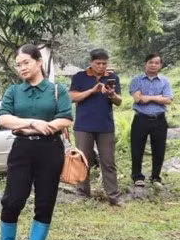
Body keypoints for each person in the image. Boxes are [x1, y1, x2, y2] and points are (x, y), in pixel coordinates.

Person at [0, 45, 73, 240]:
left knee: (45, 199)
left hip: (50, 149)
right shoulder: (14, 91)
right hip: (22, 149)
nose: (22, 68)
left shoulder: (57, 90)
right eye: (18, 65)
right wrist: (33, 123)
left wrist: (41, 126)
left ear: (39, 62)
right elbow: (3, 119)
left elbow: (65, 118)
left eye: (26, 62)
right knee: (13, 198)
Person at [69, 48, 123, 206]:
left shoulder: (112, 77)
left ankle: (114, 196)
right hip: (83, 126)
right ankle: (82, 194)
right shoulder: (80, 77)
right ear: (90, 63)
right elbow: (72, 97)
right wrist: (92, 91)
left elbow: (119, 102)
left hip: (105, 126)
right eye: (98, 63)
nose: (101, 66)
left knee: (108, 162)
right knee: (83, 161)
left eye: (104, 63)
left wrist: (112, 95)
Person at [129, 53, 173, 190]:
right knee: (137, 149)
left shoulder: (165, 81)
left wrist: (147, 97)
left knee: (159, 149)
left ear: (160, 65)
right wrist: (158, 97)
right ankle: (137, 177)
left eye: (156, 63)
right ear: (145, 64)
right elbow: (138, 99)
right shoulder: (137, 80)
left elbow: (168, 100)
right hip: (140, 119)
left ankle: (155, 177)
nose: (153, 65)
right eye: (150, 62)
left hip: (159, 119)